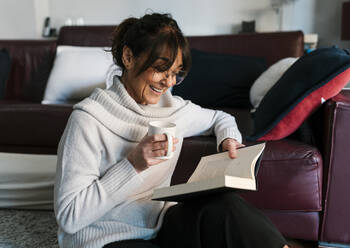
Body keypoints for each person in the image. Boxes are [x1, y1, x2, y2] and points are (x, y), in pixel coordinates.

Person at [54, 13, 290, 248]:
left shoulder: (173, 109)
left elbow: (220, 118)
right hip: (104, 235)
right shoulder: (88, 120)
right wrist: (133, 164)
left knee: (226, 207)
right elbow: (69, 216)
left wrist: (228, 139)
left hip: (158, 221)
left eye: (176, 73)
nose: (168, 82)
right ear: (128, 57)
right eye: (160, 69)